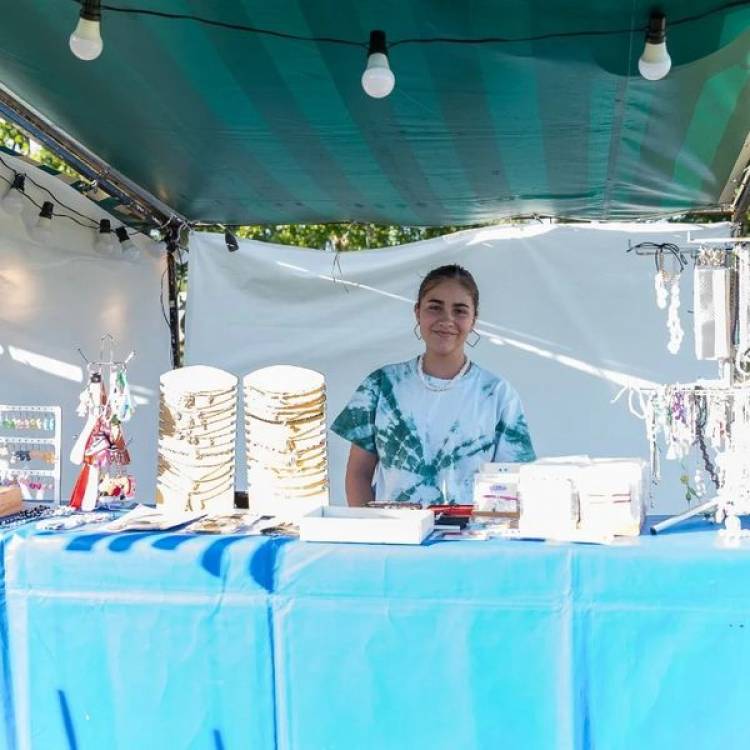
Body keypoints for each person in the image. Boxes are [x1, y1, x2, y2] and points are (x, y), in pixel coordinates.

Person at [331, 264, 535, 506]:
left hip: (473, 539)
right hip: (394, 539)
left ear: (474, 320)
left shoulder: (498, 394)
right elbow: (358, 475)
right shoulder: (381, 386)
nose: (447, 319)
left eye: (460, 310)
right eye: (435, 307)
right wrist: (370, 534)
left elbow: (513, 483)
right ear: (417, 312)